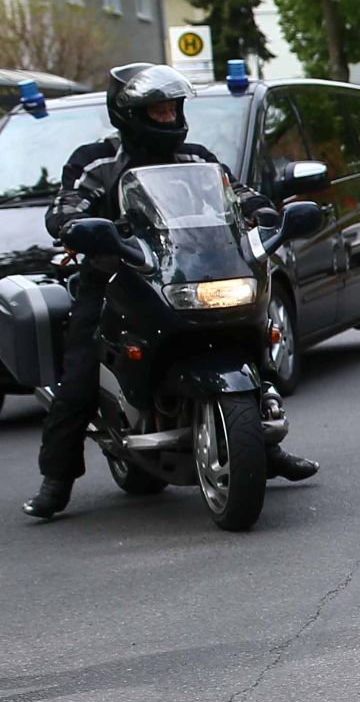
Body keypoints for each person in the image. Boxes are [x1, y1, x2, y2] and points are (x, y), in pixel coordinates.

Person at [23, 63, 319, 520]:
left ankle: (263, 449)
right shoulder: (96, 162)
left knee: (253, 343)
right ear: (128, 113)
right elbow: (67, 206)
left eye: (171, 108)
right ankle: (57, 478)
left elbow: (239, 197)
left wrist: (267, 216)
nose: (166, 116)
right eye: (156, 109)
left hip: (192, 273)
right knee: (80, 370)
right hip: (116, 278)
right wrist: (72, 224)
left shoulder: (197, 160)